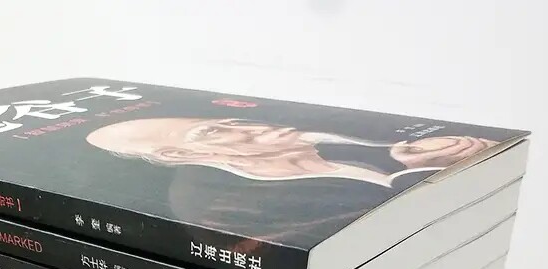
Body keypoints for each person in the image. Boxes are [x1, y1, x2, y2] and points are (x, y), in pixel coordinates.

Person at [86, 116, 497, 187]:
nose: (253, 127)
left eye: (231, 121)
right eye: (212, 131)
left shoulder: (369, 145)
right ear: (176, 156)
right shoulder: (235, 207)